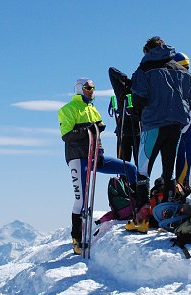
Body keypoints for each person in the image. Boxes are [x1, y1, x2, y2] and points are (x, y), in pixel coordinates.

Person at [59, 78, 138, 254]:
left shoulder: (91, 108)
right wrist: (89, 128)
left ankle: (137, 211)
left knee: (130, 169)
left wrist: (97, 128)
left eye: (93, 88)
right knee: (82, 199)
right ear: (80, 89)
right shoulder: (67, 109)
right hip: (78, 158)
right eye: (88, 88)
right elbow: (66, 135)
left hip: (96, 156)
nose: (91, 91)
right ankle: (77, 239)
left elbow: (96, 129)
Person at [128, 36, 191, 231]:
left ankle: (143, 218)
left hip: (154, 123)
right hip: (176, 123)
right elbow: (189, 100)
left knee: (143, 168)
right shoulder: (182, 70)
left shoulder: (145, 68)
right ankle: (167, 215)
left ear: (148, 50)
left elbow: (139, 97)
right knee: (168, 169)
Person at [172, 52, 191, 188]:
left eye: (186, 68)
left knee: (187, 166)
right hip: (177, 133)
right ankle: (179, 188)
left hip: (184, 134)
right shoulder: (173, 88)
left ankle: (186, 187)